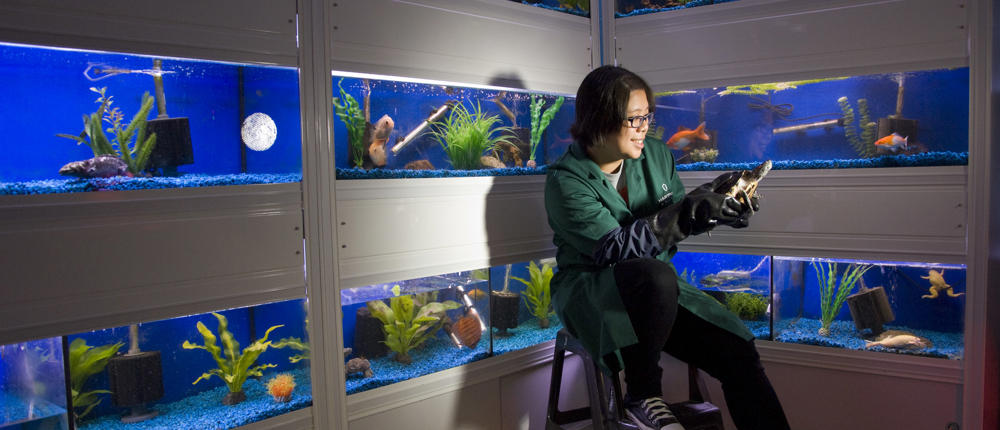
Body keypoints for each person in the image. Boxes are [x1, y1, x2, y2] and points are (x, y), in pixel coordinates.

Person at [544, 65, 790, 430]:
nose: (645, 126)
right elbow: (615, 249)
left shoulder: (656, 155)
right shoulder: (566, 182)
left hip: (656, 295)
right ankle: (642, 396)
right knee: (654, 274)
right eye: (634, 118)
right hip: (595, 290)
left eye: (648, 115)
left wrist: (717, 205)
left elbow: (673, 219)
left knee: (738, 353)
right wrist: (690, 212)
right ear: (599, 118)